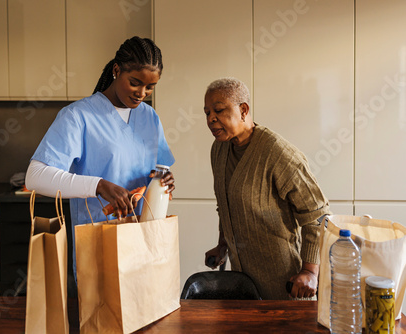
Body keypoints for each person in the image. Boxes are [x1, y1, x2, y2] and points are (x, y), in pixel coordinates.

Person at [25, 36, 175, 276]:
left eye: (150, 87)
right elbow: (35, 176)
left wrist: (164, 178)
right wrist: (98, 185)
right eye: (135, 83)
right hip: (98, 241)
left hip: (144, 240)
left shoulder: (149, 117)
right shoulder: (78, 116)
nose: (142, 93)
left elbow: (158, 168)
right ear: (117, 70)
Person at [203, 77, 331, 300]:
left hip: (285, 286)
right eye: (207, 113)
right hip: (241, 284)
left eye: (219, 110)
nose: (211, 119)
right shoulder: (219, 150)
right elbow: (225, 204)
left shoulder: (279, 153)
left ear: (243, 110)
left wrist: (310, 271)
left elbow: (318, 216)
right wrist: (222, 245)